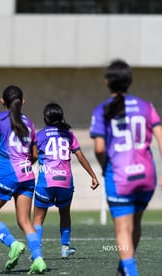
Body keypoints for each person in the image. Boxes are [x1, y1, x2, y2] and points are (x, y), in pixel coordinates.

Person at [90, 59, 162, 275]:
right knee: (135, 224)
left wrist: (105, 168)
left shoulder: (101, 110)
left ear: (106, 82)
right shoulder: (147, 106)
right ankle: (124, 268)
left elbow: (100, 149)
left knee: (123, 229)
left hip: (120, 178)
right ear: (129, 81)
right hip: (147, 176)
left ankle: (130, 271)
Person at [0, 85, 47, 273]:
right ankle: (39, 259)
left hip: (7, 175)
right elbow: (34, 155)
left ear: (2, 101)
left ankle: (13, 244)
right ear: (22, 101)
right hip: (27, 175)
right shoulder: (30, 122)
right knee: (25, 221)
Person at [33, 102, 100, 259]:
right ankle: (65, 248)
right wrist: (93, 176)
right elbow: (81, 156)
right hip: (65, 182)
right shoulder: (69, 135)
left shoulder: (39, 135)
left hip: (46, 182)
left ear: (45, 118)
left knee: (38, 218)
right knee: (64, 213)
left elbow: (33, 157)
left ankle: (36, 252)